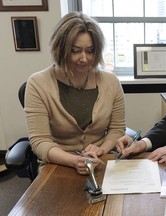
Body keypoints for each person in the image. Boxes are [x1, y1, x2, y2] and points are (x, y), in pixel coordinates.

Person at [25, 12, 125, 175]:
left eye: (90, 51)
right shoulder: (38, 83)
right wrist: (73, 161)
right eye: (75, 51)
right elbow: (40, 141)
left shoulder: (111, 82)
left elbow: (117, 129)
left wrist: (101, 148)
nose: (84, 58)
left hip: (100, 159)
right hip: (57, 163)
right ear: (61, 49)